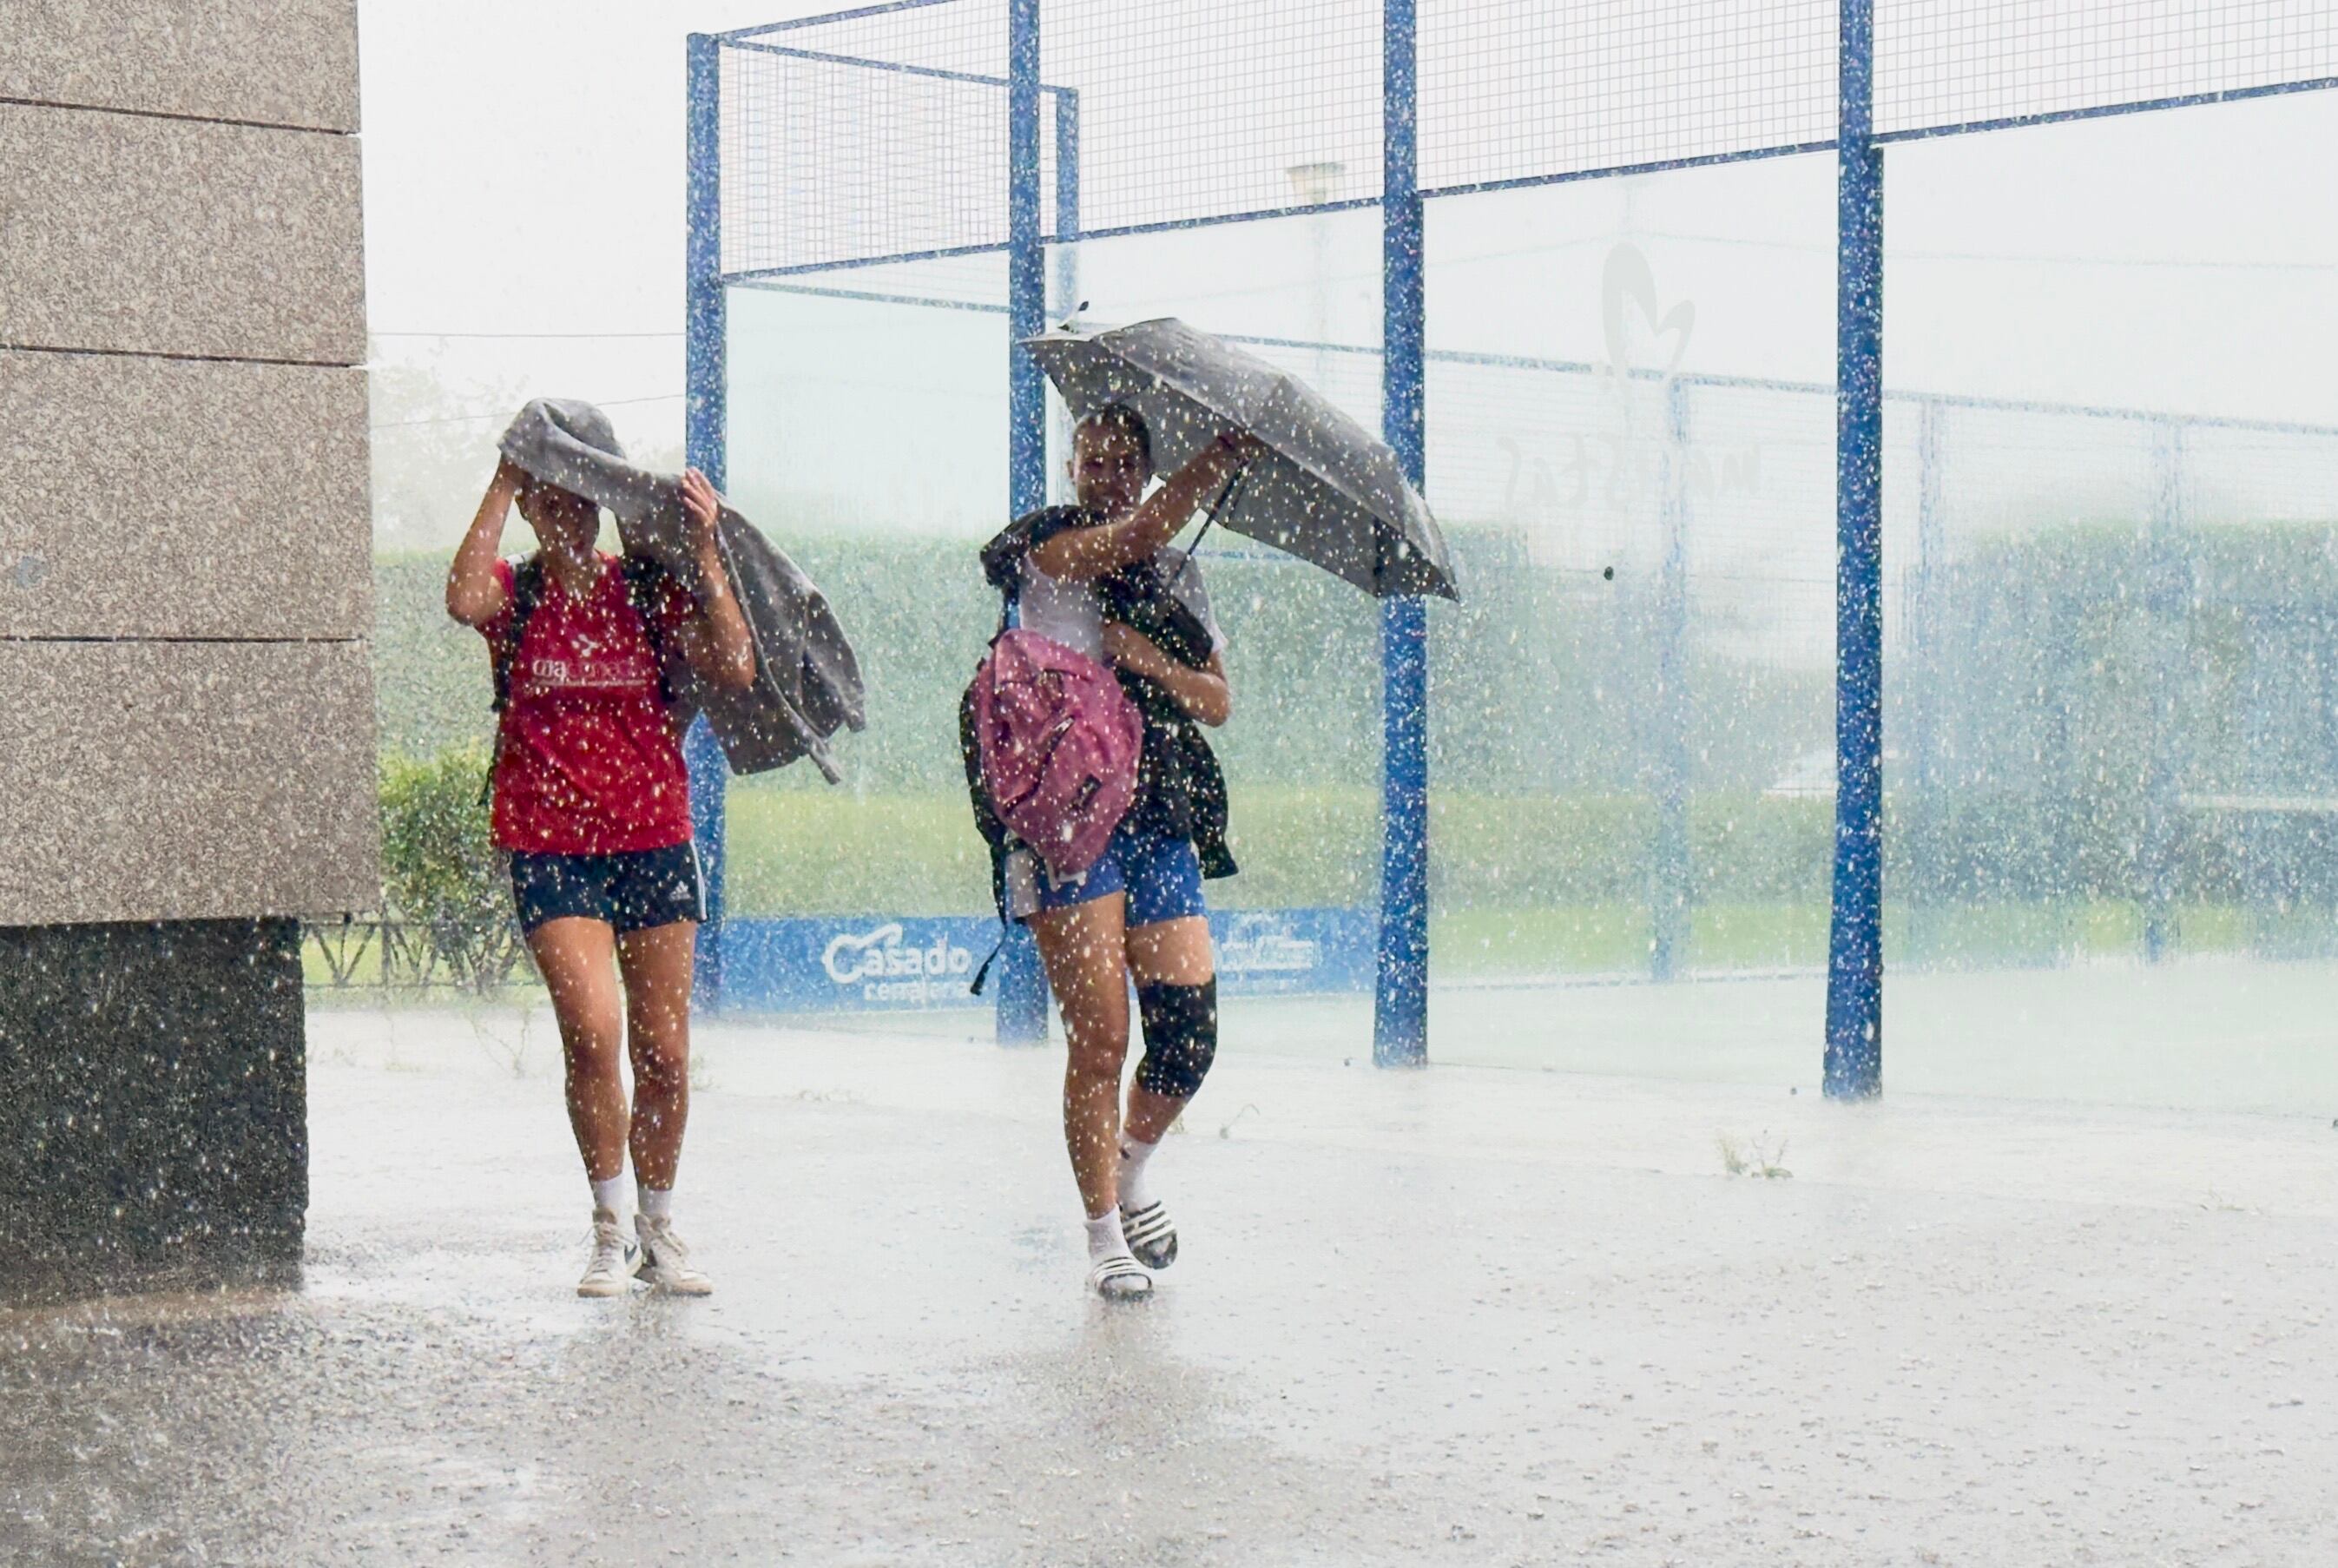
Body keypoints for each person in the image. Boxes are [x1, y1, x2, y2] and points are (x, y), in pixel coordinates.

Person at [445, 452, 755, 1297]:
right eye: (552, 499)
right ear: (537, 508)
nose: (570, 514)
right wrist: (506, 478)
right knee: (591, 1032)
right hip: (550, 847)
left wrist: (706, 550)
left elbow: (733, 664)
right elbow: (463, 598)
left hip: (651, 839)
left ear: (606, 505)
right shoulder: (522, 593)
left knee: (663, 1053)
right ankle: (608, 1226)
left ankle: (659, 1227)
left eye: (585, 498)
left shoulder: (647, 592)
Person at [982, 406, 1266, 1301]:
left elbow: (1218, 700)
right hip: (1068, 818)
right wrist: (1215, 461)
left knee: (1186, 1037)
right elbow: (1137, 530)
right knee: (1101, 1037)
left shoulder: (1179, 574)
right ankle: (1103, 1233)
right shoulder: (1047, 549)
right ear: (1070, 466)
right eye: (1089, 457)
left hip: (1158, 815)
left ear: (1142, 468)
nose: (1102, 472)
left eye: (1120, 460)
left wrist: (1149, 662)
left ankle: (1130, 1165)